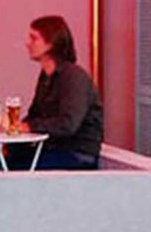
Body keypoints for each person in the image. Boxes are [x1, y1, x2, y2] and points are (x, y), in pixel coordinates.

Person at [22, 15, 104, 170]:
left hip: (76, 153)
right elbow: (35, 113)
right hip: (53, 149)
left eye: (34, 38)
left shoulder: (73, 77)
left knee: (17, 169)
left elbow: (68, 124)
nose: (28, 43)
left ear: (51, 43)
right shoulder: (46, 77)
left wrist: (29, 127)